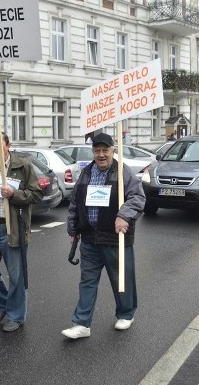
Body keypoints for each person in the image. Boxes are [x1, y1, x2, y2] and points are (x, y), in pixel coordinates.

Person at [62, 133, 145, 340]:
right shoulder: (86, 172)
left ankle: (126, 314)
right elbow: (75, 203)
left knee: (121, 279)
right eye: (97, 151)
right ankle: (82, 323)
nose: (101, 155)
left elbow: (138, 197)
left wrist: (123, 215)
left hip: (114, 237)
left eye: (105, 150)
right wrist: (73, 230)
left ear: (112, 151)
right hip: (89, 238)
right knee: (87, 282)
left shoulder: (122, 172)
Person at [0, 131, 43, 332]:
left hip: (12, 229)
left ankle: (16, 316)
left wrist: (15, 194)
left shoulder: (22, 167)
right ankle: (4, 304)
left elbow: (37, 194)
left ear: (7, 145)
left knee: (16, 276)